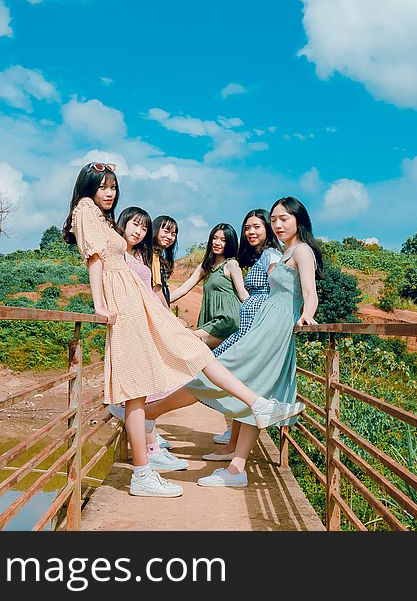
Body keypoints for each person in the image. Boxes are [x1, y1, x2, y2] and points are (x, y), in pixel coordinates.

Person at [62, 162, 304, 497]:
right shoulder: (85, 209)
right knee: (141, 383)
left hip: (135, 298)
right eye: (103, 186)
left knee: (164, 370)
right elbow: (95, 260)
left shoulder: (98, 215)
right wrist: (99, 304)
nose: (109, 193)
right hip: (123, 301)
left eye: (113, 187)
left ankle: (146, 469)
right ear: (88, 186)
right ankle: (144, 472)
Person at [129, 196, 322, 488]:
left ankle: (149, 414)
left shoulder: (303, 251)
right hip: (263, 325)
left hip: (274, 330)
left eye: (284, 219)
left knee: (217, 372)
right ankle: (237, 468)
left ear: (299, 220)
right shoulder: (285, 252)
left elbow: (310, 291)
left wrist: (306, 315)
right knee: (252, 392)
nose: (278, 225)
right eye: (274, 220)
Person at [208, 209, 283, 454]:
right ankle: (232, 445)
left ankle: (151, 414)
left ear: (267, 229)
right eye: (247, 228)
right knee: (242, 381)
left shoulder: (272, 253)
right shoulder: (257, 257)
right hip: (250, 326)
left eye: (257, 227)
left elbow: (278, 279)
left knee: (218, 367)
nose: (250, 232)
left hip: (258, 328)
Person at [116, 206, 184, 466]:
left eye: (144, 227)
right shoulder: (119, 255)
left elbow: (155, 292)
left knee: (151, 386)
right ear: (123, 224)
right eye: (135, 224)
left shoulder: (140, 255)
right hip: (135, 324)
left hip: (146, 322)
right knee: (147, 385)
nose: (139, 231)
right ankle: (151, 450)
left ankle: (152, 446)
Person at [169, 223, 244, 349]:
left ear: (230, 243)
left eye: (223, 240)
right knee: (202, 356)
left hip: (228, 320)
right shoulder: (205, 267)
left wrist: (260, 315)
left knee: (189, 342)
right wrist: (156, 302)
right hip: (211, 320)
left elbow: (242, 293)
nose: (217, 242)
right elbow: (183, 289)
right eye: (215, 238)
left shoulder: (231, 264)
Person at [151, 215, 179, 309]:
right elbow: (156, 289)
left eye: (173, 234)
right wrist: (168, 314)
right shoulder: (153, 254)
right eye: (166, 231)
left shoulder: (158, 256)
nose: (169, 237)